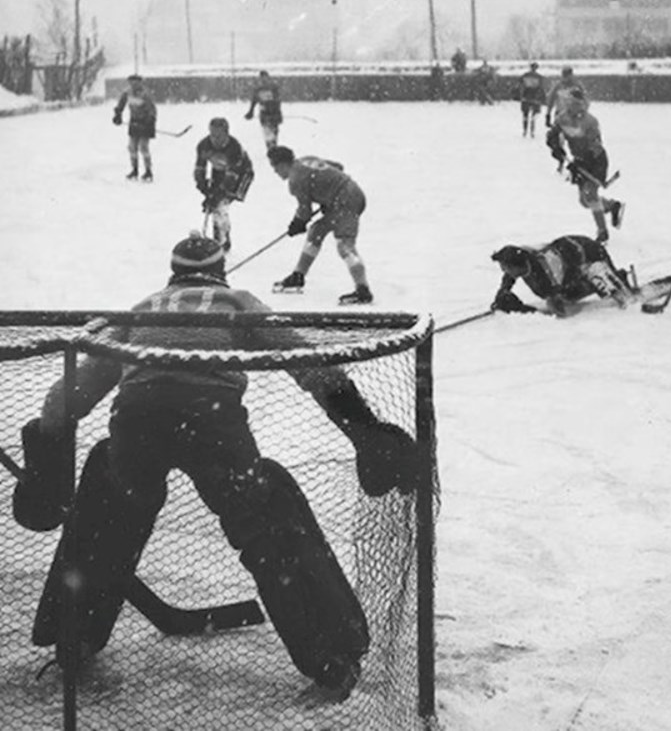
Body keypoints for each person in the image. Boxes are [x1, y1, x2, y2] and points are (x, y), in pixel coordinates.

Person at [12, 233, 416, 698]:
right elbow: (309, 362)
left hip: (137, 422)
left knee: (109, 500)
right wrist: (363, 428)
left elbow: (68, 396)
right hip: (212, 421)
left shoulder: (141, 308)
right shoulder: (236, 300)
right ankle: (330, 657)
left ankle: (73, 638)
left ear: (172, 274)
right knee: (267, 518)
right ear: (220, 271)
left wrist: (47, 450)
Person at [490, 236, 671, 318]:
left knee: (628, 301)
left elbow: (560, 312)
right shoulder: (522, 257)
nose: (504, 273)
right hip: (572, 259)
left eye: (506, 268)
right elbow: (509, 277)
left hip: (590, 258)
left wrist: (523, 310)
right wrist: (503, 292)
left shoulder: (547, 272)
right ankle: (615, 279)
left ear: (519, 266)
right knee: (569, 295)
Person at [267, 145, 372, 305]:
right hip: (349, 195)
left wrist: (297, 224)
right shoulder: (305, 160)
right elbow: (337, 167)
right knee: (317, 230)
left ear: (282, 164)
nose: (275, 172)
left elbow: (304, 211)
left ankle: (363, 289)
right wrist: (328, 192)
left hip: (346, 202)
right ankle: (298, 275)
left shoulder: (295, 180)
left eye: (275, 167)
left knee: (344, 245)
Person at [546, 91, 624, 242]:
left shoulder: (591, 122)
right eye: (570, 103)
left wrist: (581, 164)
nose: (572, 106)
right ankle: (611, 206)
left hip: (596, 161)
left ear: (583, 105)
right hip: (579, 161)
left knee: (590, 194)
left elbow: (595, 147)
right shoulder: (562, 118)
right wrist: (555, 146)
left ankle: (602, 232)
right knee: (584, 201)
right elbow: (553, 135)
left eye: (576, 104)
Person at [194, 117, 254, 253]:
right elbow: (199, 169)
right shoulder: (203, 145)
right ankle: (221, 238)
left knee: (221, 203)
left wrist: (216, 194)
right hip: (219, 171)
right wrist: (204, 188)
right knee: (216, 205)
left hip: (241, 173)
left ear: (227, 133)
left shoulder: (234, 147)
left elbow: (231, 178)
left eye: (219, 136)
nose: (215, 140)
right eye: (212, 135)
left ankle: (221, 239)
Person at [112, 74, 157, 181]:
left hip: (145, 123)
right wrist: (118, 114)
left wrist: (150, 121)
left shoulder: (145, 94)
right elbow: (121, 104)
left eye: (136, 82)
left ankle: (148, 171)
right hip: (134, 122)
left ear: (140, 82)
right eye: (131, 82)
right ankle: (135, 170)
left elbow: (152, 109)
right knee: (132, 147)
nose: (133, 84)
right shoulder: (127, 92)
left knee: (143, 147)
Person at [244, 70, 283, 152]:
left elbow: (278, 100)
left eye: (265, 78)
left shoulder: (273, 87)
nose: (263, 80)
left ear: (268, 78)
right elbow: (254, 101)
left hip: (274, 113)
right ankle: (270, 147)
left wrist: (276, 109)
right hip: (264, 114)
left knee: (274, 130)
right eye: (262, 78)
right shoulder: (258, 89)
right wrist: (251, 111)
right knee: (267, 131)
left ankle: (274, 145)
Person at [518, 61, 548, 137]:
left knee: (525, 115)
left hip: (526, 97)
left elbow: (519, 85)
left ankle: (525, 131)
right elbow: (541, 89)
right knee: (533, 116)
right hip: (535, 98)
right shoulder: (539, 77)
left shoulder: (524, 76)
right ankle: (532, 131)